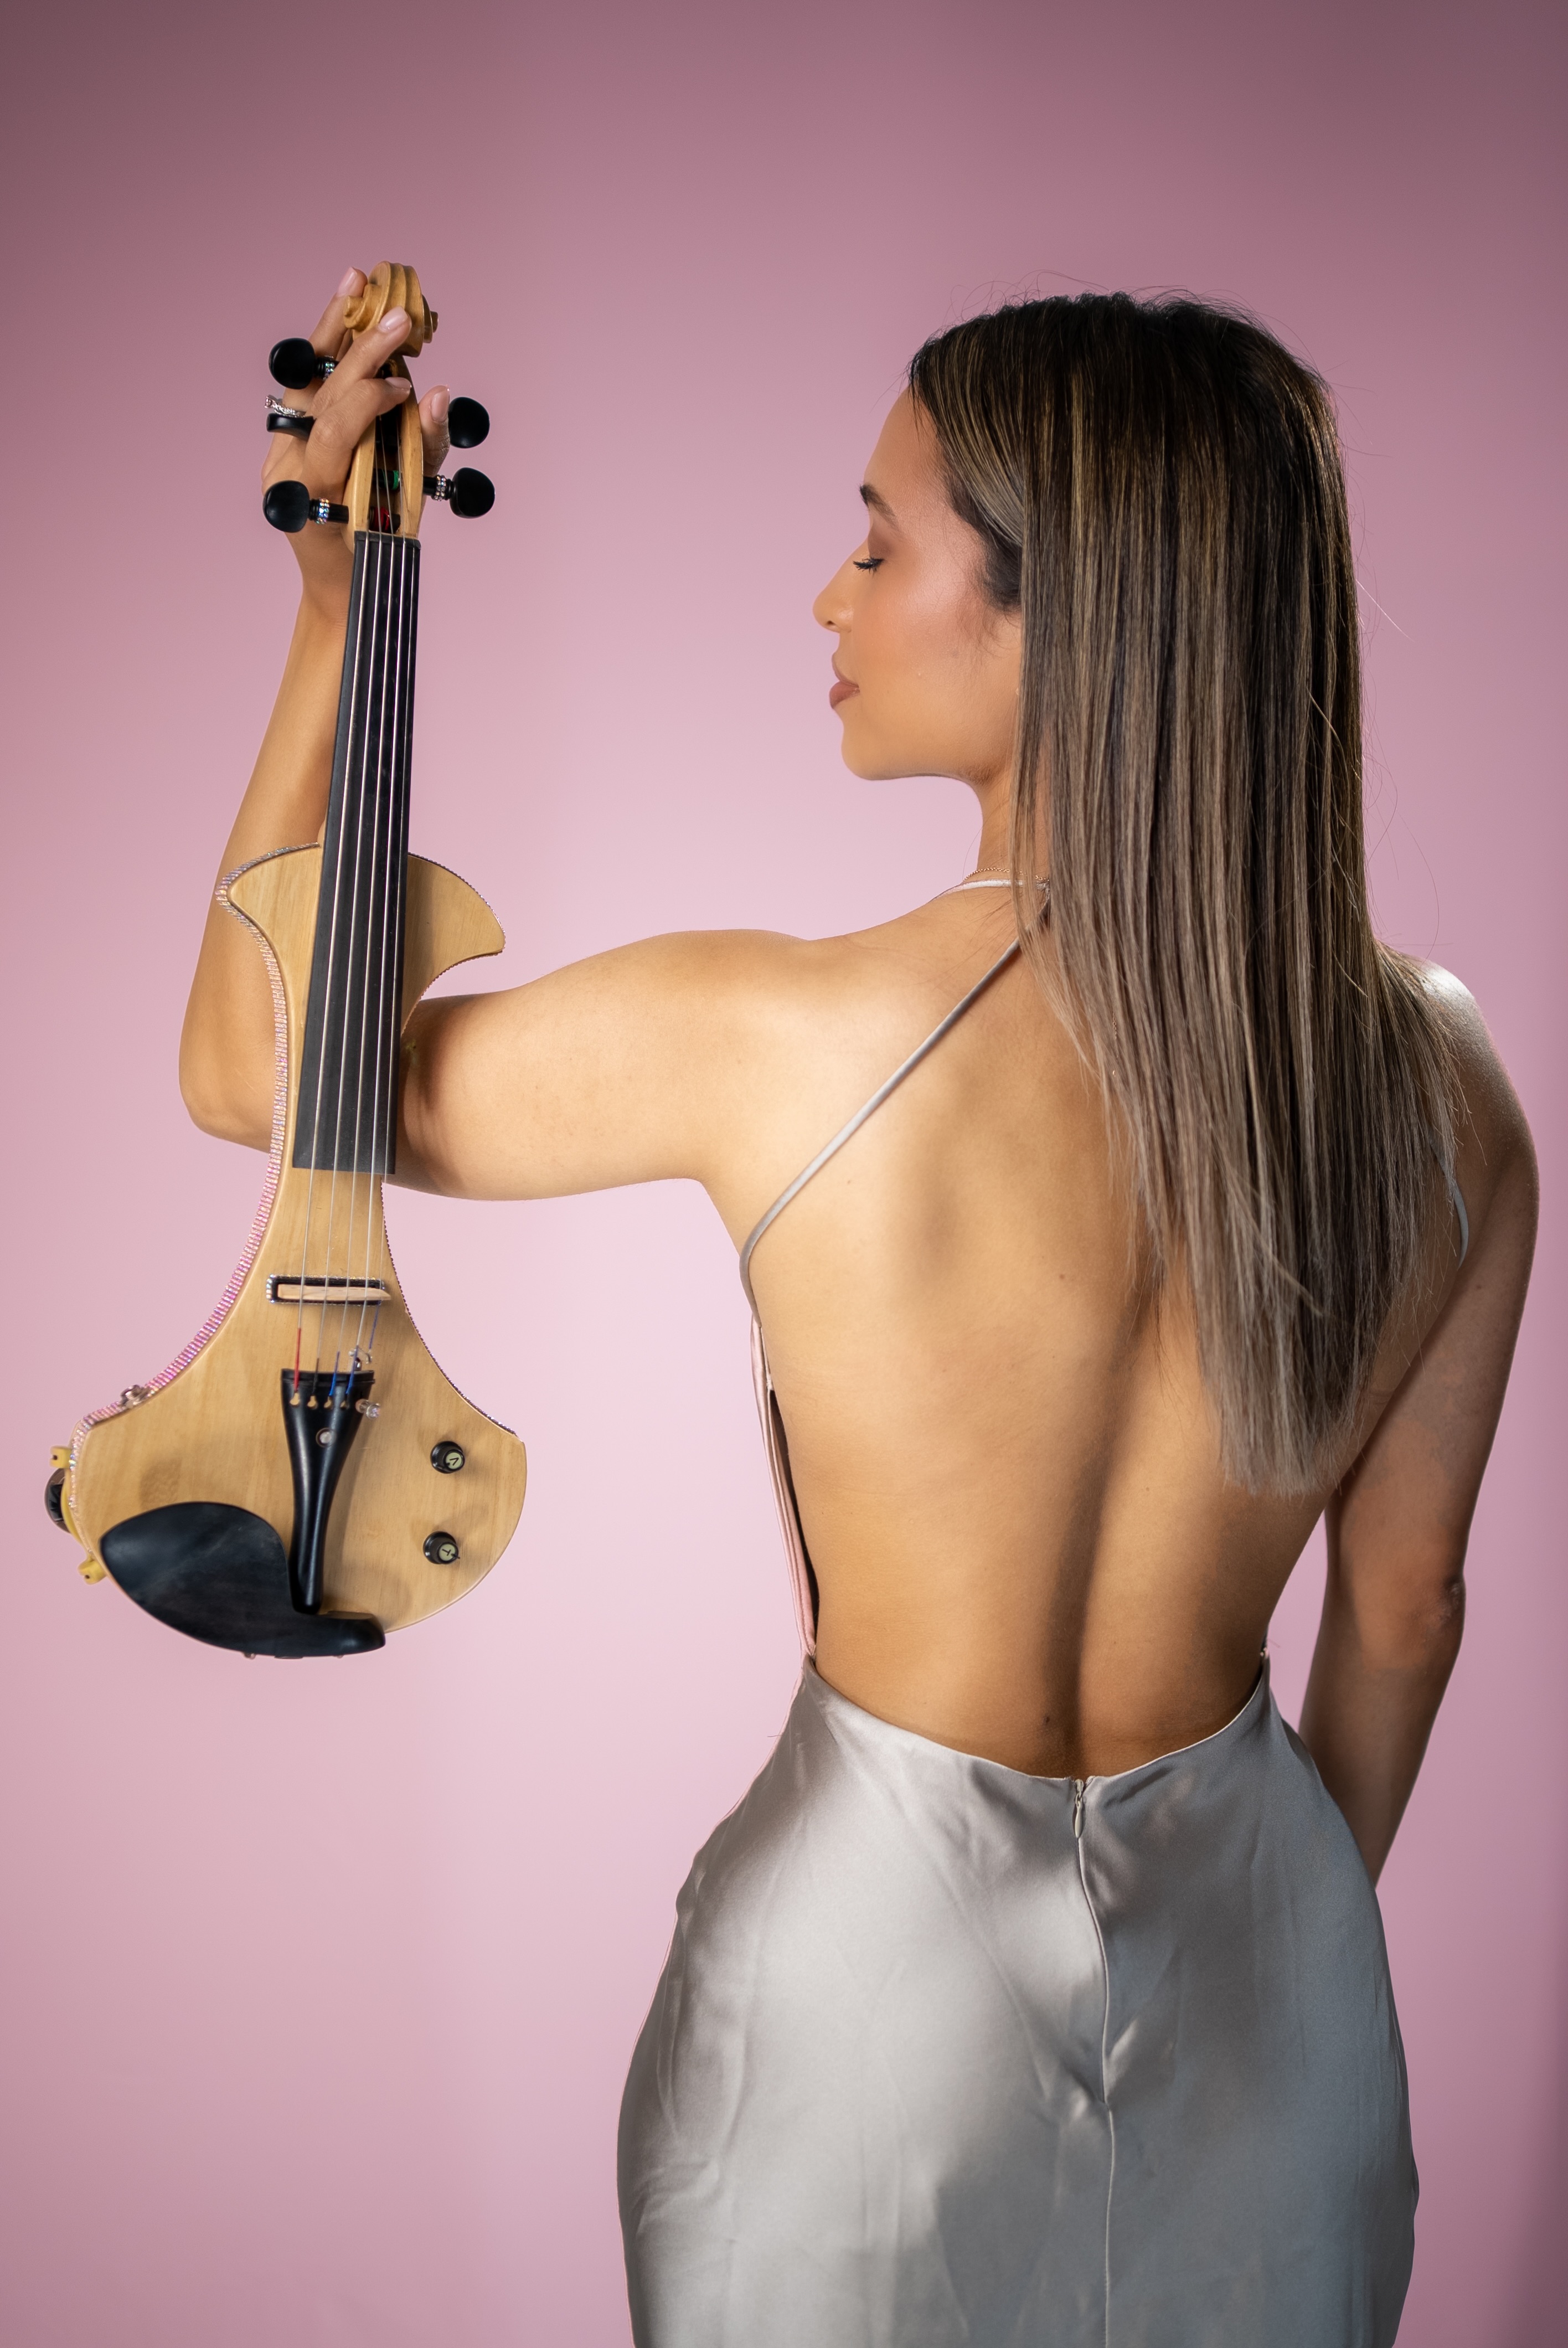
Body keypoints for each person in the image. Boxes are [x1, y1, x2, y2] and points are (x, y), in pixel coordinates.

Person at [180, 275, 1537, 2348]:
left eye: (883, 546)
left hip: (868, 2009)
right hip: (1275, 1993)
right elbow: (1408, 1610)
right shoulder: (1447, 1092)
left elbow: (251, 1068)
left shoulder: (785, 1036)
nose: (832, 595)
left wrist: (338, 613)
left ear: (1059, 616)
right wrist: (1269, 1949)